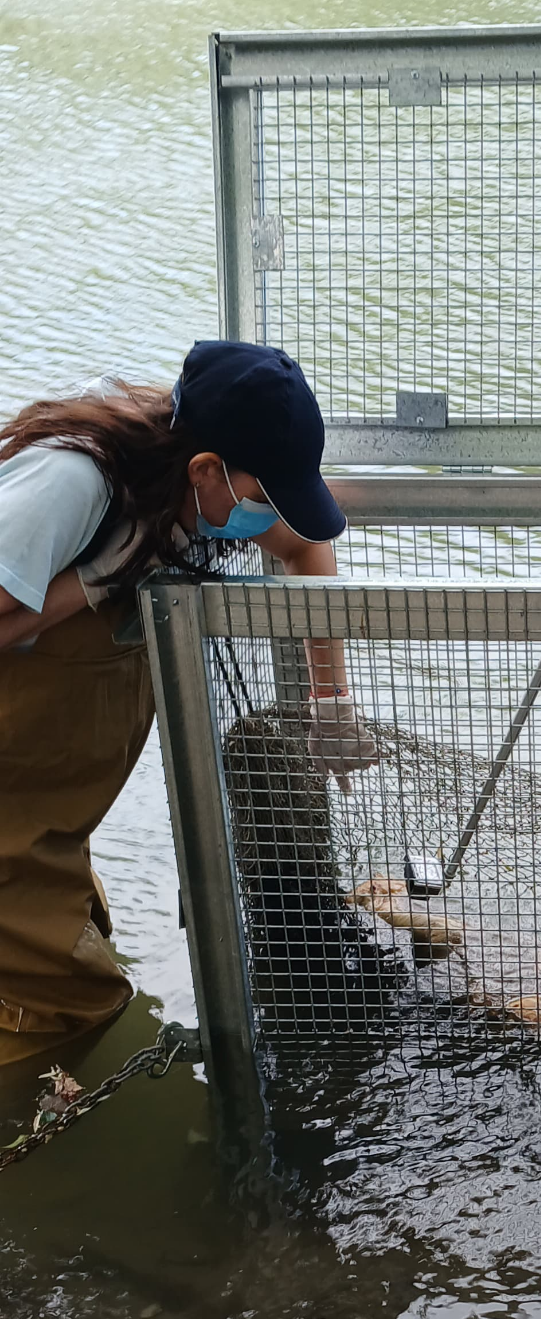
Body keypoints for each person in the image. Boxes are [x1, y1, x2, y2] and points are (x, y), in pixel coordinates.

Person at [0, 340, 377, 1066]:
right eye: (260, 499)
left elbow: (305, 552)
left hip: (46, 816)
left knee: (74, 954)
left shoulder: (195, 486)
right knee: (69, 1011)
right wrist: (93, 585)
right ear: (208, 471)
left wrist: (332, 704)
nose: (261, 520)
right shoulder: (75, 484)